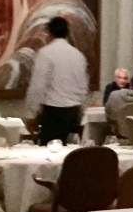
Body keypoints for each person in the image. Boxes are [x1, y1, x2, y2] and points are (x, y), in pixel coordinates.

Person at [25, 16, 90, 145]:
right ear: (67, 32)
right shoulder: (78, 55)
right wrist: (81, 111)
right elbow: (83, 86)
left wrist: (31, 114)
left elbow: (38, 86)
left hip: (53, 113)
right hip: (74, 112)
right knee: (72, 151)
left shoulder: (46, 53)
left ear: (49, 33)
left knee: (49, 152)